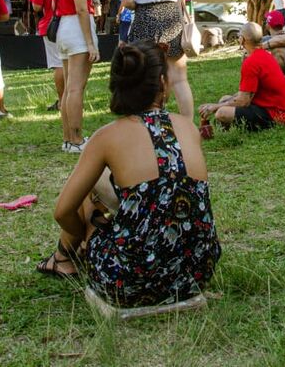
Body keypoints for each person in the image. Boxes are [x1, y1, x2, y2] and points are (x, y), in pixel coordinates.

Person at [37, 40, 221, 307]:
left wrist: (89, 229)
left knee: (90, 197)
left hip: (128, 283)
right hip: (196, 272)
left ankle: (64, 257)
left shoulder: (106, 137)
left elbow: (62, 212)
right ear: (162, 82)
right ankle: (65, 257)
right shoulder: (187, 128)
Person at [122, 0, 194, 121]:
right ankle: (187, 125)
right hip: (171, 18)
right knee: (179, 78)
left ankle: (149, 120)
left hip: (145, 18)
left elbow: (127, 1)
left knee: (146, 74)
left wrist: (143, 7)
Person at [197, 22, 285, 139]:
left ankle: (222, 133)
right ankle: (223, 132)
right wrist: (220, 103)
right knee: (224, 99)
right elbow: (246, 93)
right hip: (275, 109)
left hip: (275, 115)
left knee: (221, 113)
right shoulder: (264, 54)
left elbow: (243, 101)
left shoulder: (251, 62)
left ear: (242, 39)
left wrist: (215, 107)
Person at [54, 0, 99, 153]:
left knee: (69, 90)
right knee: (75, 89)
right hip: (76, 29)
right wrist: (90, 43)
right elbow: (82, 9)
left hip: (64, 29)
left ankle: (68, 138)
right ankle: (77, 140)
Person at [30, 0, 66, 113]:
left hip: (50, 26)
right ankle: (72, 99)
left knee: (58, 64)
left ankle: (62, 101)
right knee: (71, 64)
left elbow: (36, 7)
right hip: (70, 24)